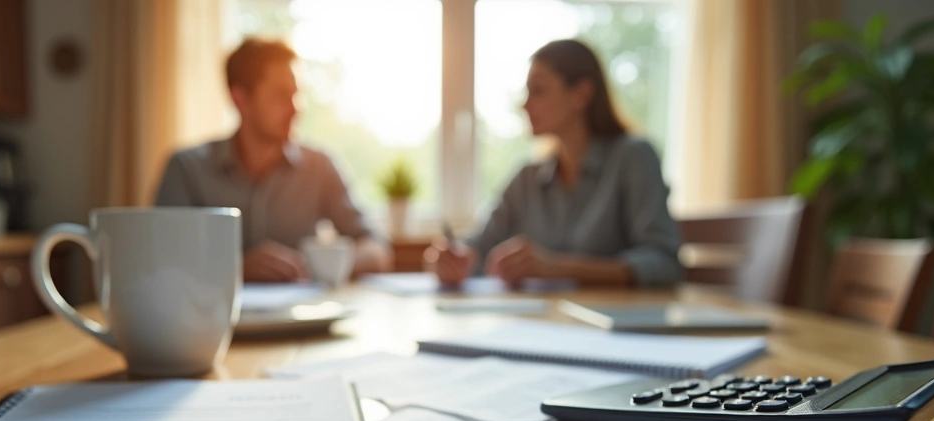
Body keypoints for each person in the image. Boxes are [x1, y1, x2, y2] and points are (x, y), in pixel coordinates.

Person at [425, 39, 682, 288]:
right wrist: (450, 260)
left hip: (614, 325)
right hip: (541, 323)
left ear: (581, 94)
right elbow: (478, 247)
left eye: (538, 91)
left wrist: (557, 269)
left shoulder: (634, 158)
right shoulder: (527, 178)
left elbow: (663, 261)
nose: (525, 104)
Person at [155, 38, 391, 282]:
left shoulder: (319, 167)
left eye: (297, 94)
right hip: (208, 318)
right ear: (240, 99)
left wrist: (320, 266)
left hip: (303, 318)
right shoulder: (187, 169)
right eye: (281, 96)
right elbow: (159, 258)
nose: (296, 108)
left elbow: (376, 248)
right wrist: (236, 267)